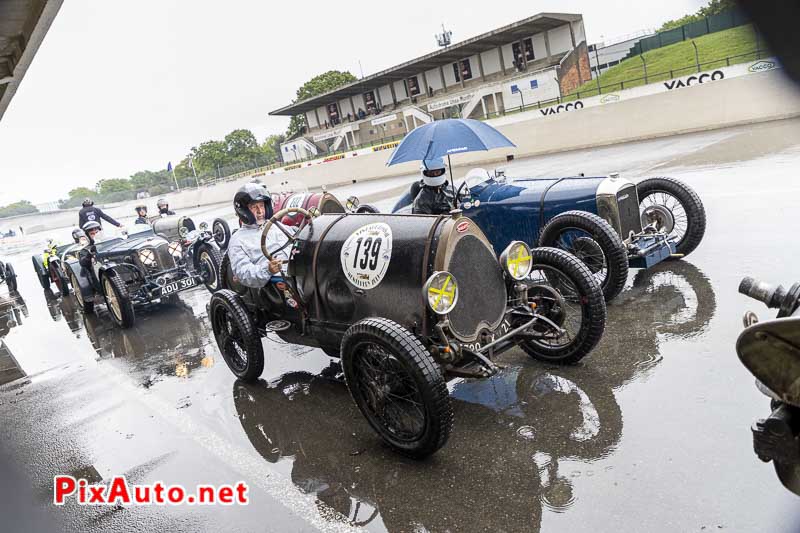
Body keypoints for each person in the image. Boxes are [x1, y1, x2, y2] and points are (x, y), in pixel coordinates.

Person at [227, 183, 293, 288]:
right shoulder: (237, 241)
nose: (260, 211)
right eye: (254, 207)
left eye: (262, 205)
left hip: (298, 269)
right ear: (243, 211)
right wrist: (268, 269)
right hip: (277, 284)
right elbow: (243, 273)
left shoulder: (275, 225)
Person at [78, 221, 103, 285]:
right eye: (92, 234)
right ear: (87, 235)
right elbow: (83, 263)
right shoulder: (85, 249)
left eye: (97, 232)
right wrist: (90, 254)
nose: (95, 235)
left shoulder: (109, 241)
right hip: (97, 277)